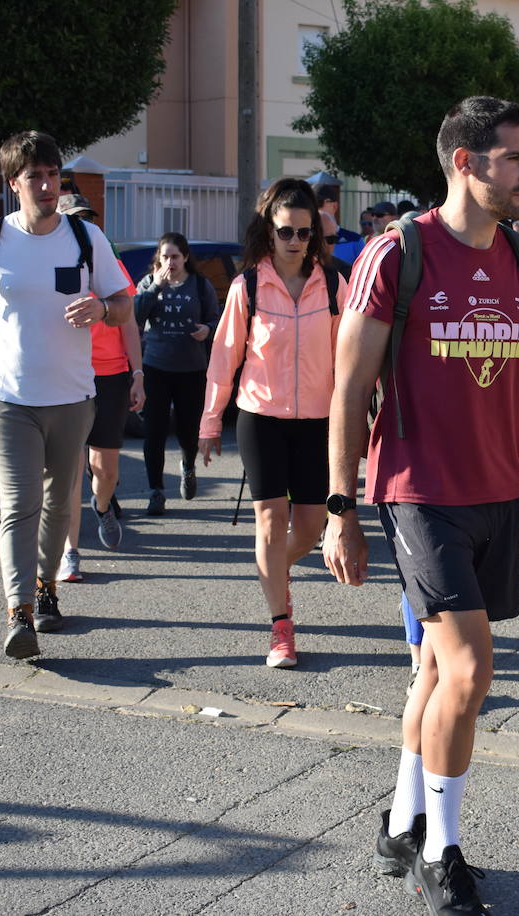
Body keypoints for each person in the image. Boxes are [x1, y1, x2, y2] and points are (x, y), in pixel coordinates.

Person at [325, 96, 519, 914]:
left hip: (496, 492)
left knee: (437, 668)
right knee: (471, 668)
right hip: (418, 493)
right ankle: (441, 854)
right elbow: (347, 390)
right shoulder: (396, 254)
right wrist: (341, 508)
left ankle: (401, 821)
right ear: (465, 163)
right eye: (515, 158)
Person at [0, 130, 132, 660]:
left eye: (53, 174)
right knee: (20, 501)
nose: (47, 184)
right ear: (14, 184)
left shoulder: (84, 238)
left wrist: (102, 310)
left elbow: (123, 304)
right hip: (6, 398)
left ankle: (47, 587)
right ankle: (19, 610)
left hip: (73, 397)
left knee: (58, 502)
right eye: (35, 176)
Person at [198, 179, 343, 670]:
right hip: (261, 419)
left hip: (319, 421)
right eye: (286, 231)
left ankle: (271, 568)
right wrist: (210, 421)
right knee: (269, 520)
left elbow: (350, 359)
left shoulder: (335, 285)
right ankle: (281, 627)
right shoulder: (249, 287)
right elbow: (224, 358)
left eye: (305, 233)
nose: (296, 241)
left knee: (310, 526)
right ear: (269, 229)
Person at [56, 194, 146, 581]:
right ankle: (70, 552)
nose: (83, 225)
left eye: (87, 218)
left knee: (104, 470)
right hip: (66, 375)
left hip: (110, 376)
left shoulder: (110, 263)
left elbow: (128, 323)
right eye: (75, 219)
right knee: (71, 470)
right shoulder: (52, 264)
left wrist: (138, 374)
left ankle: (103, 504)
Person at [135, 232, 219, 516]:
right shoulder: (148, 283)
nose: (170, 262)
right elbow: (134, 318)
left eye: (175, 256)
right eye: (165, 256)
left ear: (185, 258)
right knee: (154, 432)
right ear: (158, 258)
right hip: (156, 366)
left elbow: (216, 319)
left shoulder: (199, 285)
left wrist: (207, 330)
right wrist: (154, 288)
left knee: (187, 431)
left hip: (191, 368)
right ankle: (155, 491)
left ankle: (188, 466)